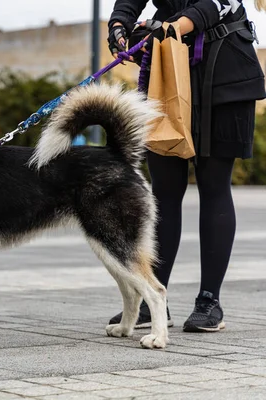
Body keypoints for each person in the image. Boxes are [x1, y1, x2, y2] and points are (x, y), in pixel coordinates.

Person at [106, 0, 265, 332]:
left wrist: (173, 27)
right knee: (163, 191)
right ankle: (154, 302)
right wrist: (119, 27)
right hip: (167, 71)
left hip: (224, 75)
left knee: (214, 185)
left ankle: (209, 301)